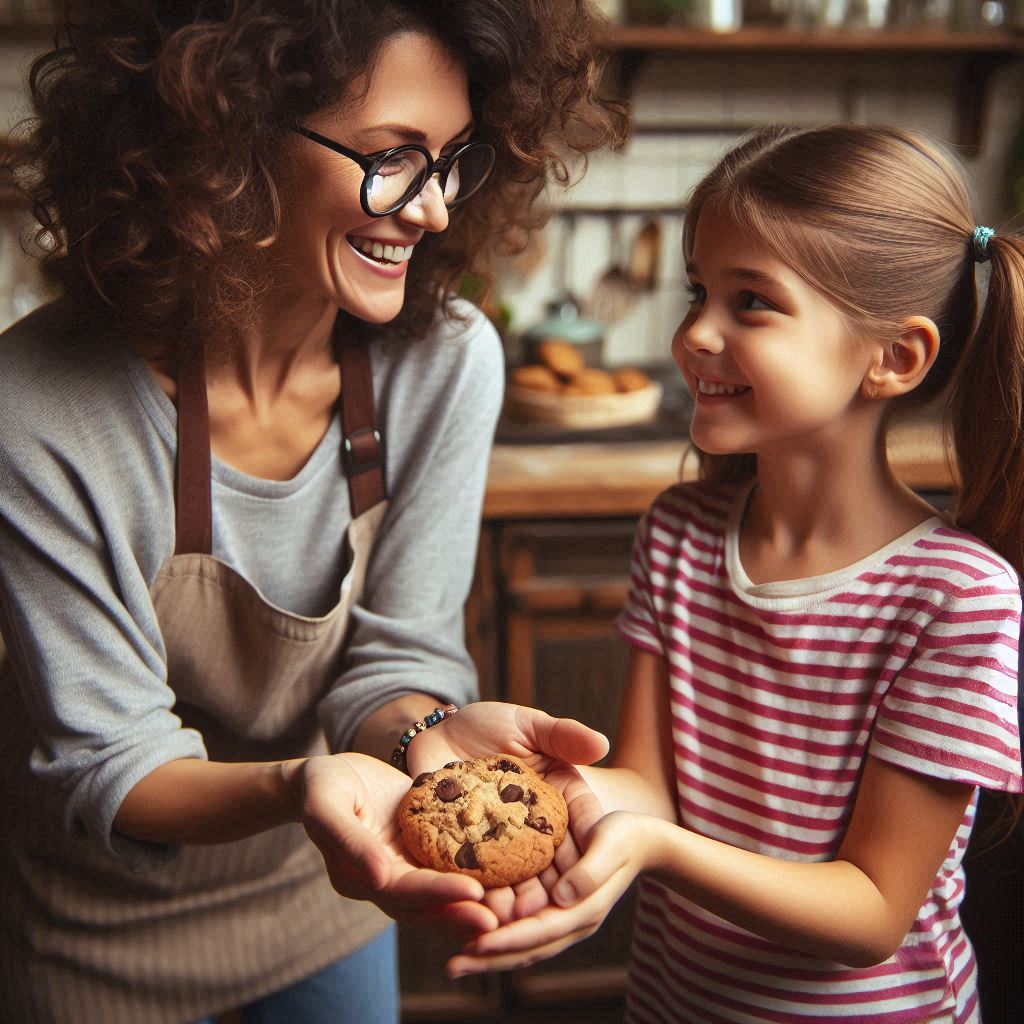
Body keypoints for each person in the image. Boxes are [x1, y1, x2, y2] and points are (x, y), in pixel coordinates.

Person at [0, 2, 628, 1022]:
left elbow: (394, 656)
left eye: (453, 161)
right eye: (393, 156)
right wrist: (298, 786)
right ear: (223, 141)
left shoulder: (444, 363)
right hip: (89, 933)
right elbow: (110, 758)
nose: (429, 211)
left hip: (324, 898)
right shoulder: (40, 406)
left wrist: (426, 732)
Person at [447, 124, 1024, 1023]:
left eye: (751, 301)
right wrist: (552, 793)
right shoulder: (679, 535)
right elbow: (645, 786)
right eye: (698, 291)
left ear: (893, 358)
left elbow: (872, 911)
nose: (692, 334)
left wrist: (655, 849)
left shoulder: (954, 597)